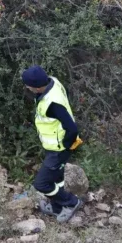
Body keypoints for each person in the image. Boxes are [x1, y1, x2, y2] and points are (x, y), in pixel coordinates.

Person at [22, 65, 84, 222]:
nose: (26, 87)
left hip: (59, 149)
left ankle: (71, 202)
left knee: (41, 184)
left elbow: (72, 129)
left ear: (36, 87)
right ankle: (57, 207)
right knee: (57, 179)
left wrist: (65, 148)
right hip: (55, 147)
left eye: (28, 85)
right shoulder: (52, 82)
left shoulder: (52, 104)